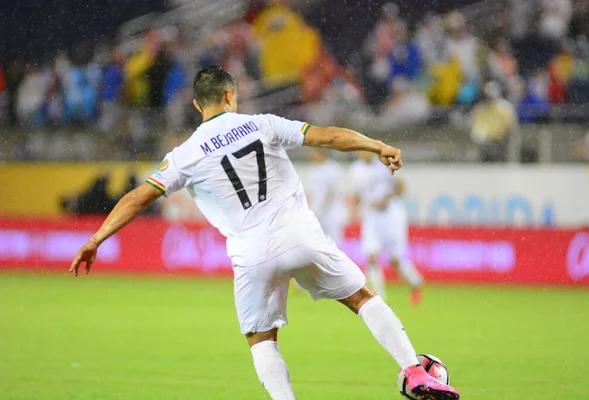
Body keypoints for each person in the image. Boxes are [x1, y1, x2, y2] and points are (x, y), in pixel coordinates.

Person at [69, 66, 460, 400]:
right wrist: (376, 145)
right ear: (230, 95)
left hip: (252, 253)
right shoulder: (262, 124)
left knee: (261, 340)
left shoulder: (184, 154)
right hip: (301, 235)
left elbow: (138, 197)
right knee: (362, 298)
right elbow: (326, 135)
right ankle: (413, 370)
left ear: (196, 105)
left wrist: (95, 239)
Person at [349, 151, 424, 305]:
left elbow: (402, 187)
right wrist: (354, 209)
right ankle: (378, 297)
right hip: (372, 215)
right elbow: (359, 192)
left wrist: (386, 198)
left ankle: (415, 283)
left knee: (395, 260)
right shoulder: (355, 169)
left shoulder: (385, 165)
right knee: (370, 256)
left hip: (392, 214)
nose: (361, 153)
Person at [305, 148, 347, 243]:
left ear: (320, 152)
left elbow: (331, 194)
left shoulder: (333, 168)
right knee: (319, 242)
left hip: (332, 212)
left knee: (334, 242)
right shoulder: (312, 170)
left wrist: (321, 210)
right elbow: (313, 194)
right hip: (318, 214)